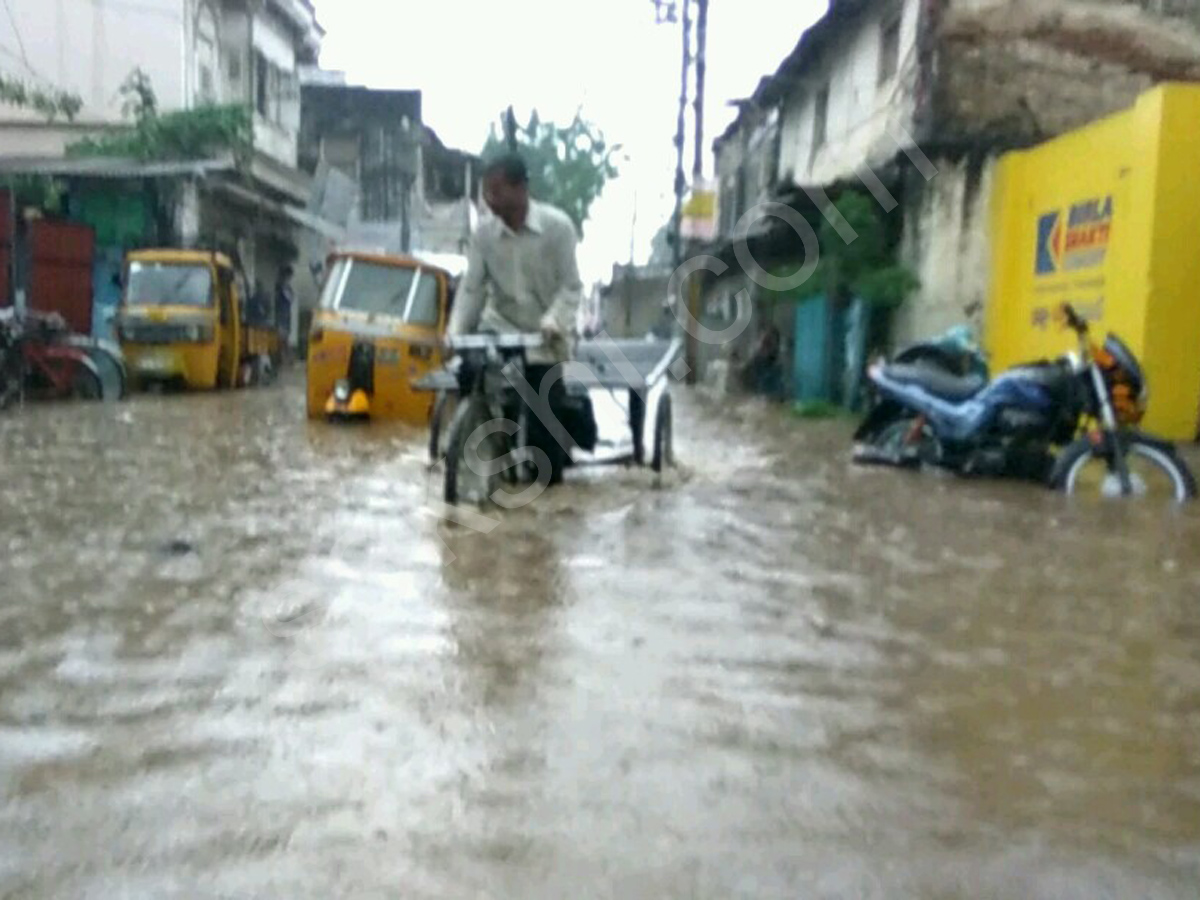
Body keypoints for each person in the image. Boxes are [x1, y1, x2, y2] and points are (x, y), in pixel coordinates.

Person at [447, 153, 592, 485]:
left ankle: (546, 481)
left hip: (546, 333)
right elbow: (473, 290)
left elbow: (571, 288)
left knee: (544, 422)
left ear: (521, 188)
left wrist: (554, 321)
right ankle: (474, 445)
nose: (489, 200)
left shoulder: (558, 229)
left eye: (496, 191)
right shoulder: (483, 234)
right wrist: (455, 332)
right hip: (501, 324)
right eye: (486, 192)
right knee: (470, 371)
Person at [274, 266, 295, 364]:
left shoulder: (286, 288)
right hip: (281, 315)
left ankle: (286, 359)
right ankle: (284, 359)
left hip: (285, 316)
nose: (288, 279)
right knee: (281, 339)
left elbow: (290, 299)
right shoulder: (280, 287)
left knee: (283, 339)